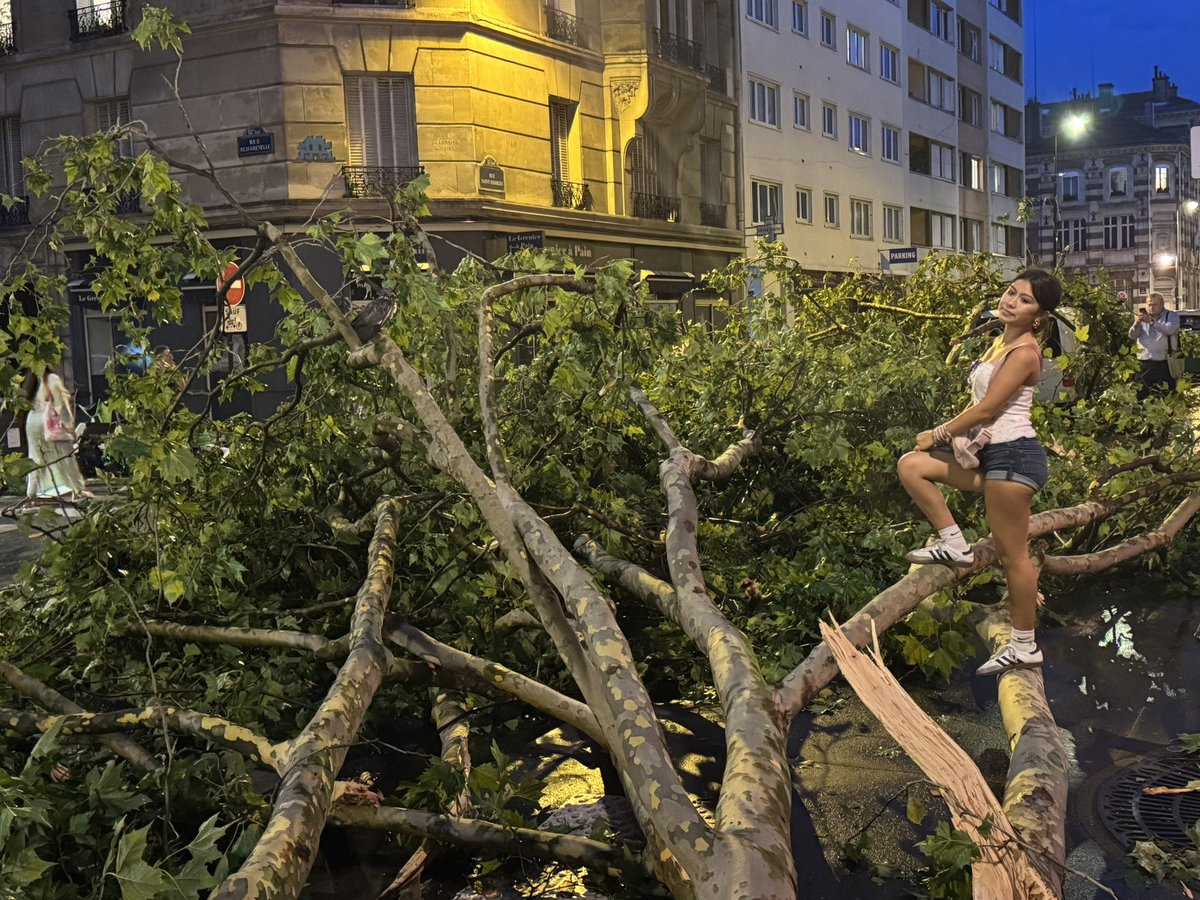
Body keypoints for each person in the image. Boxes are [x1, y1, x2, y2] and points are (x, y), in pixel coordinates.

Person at [897, 269, 1063, 677]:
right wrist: (955, 441)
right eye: (1011, 292)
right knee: (912, 465)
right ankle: (955, 544)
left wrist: (937, 432)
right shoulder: (999, 341)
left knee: (1014, 556)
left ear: (1038, 316)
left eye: (1025, 300)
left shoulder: (1024, 352)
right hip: (991, 458)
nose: (1012, 301)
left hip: (1014, 459)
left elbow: (988, 409)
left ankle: (1024, 645)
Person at [24, 368, 91, 502]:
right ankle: (77, 491)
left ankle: (31, 493)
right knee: (66, 455)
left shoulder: (31, 379)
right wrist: (69, 427)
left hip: (32, 422)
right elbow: (61, 404)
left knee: (36, 457)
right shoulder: (52, 379)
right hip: (49, 422)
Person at [1129, 292, 1180, 400]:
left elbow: (1169, 330)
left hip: (1164, 363)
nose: (1151, 307)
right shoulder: (1143, 318)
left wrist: (1152, 322)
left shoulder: (1171, 316)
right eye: (1149, 304)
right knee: (1141, 396)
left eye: (1154, 304)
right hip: (1144, 363)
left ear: (1162, 304)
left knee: (1165, 396)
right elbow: (1132, 336)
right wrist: (1137, 323)